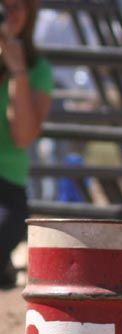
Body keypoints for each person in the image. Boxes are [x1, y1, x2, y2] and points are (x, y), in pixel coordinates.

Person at [0, 0, 52, 288]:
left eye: (17, 6)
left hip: (7, 187)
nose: (9, 14)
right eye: (3, 7)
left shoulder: (38, 70)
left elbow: (23, 136)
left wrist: (17, 71)